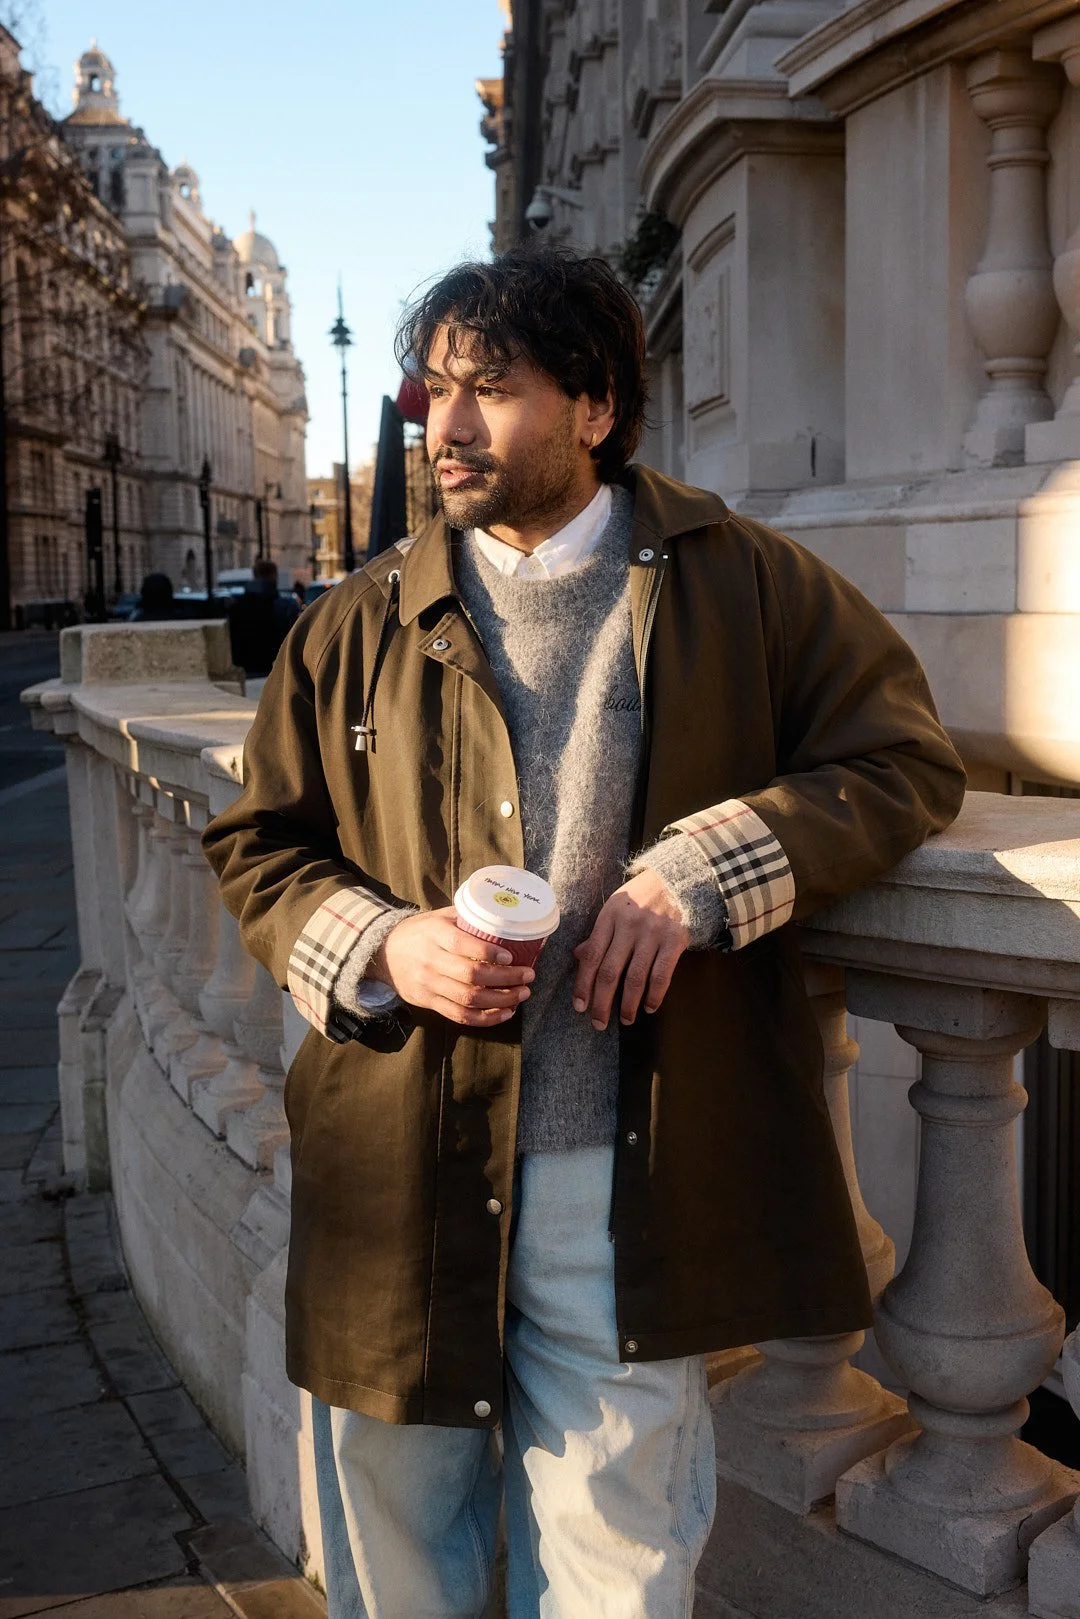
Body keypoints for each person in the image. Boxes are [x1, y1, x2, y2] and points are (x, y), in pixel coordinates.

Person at [203, 245, 966, 1619]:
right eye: (431, 394)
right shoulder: (352, 623)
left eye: (490, 390)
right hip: (397, 1169)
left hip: (628, 1181)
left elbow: (901, 757)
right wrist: (382, 943)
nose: (445, 428)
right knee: (396, 1557)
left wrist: (701, 870)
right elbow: (258, 845)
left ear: (599, 403)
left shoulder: (747, 583)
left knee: (616, 1571)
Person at [227, 557, 300, 677]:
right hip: (274, 669)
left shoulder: (236, 605)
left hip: (246, 670)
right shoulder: (286, 605)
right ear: (273, 576)